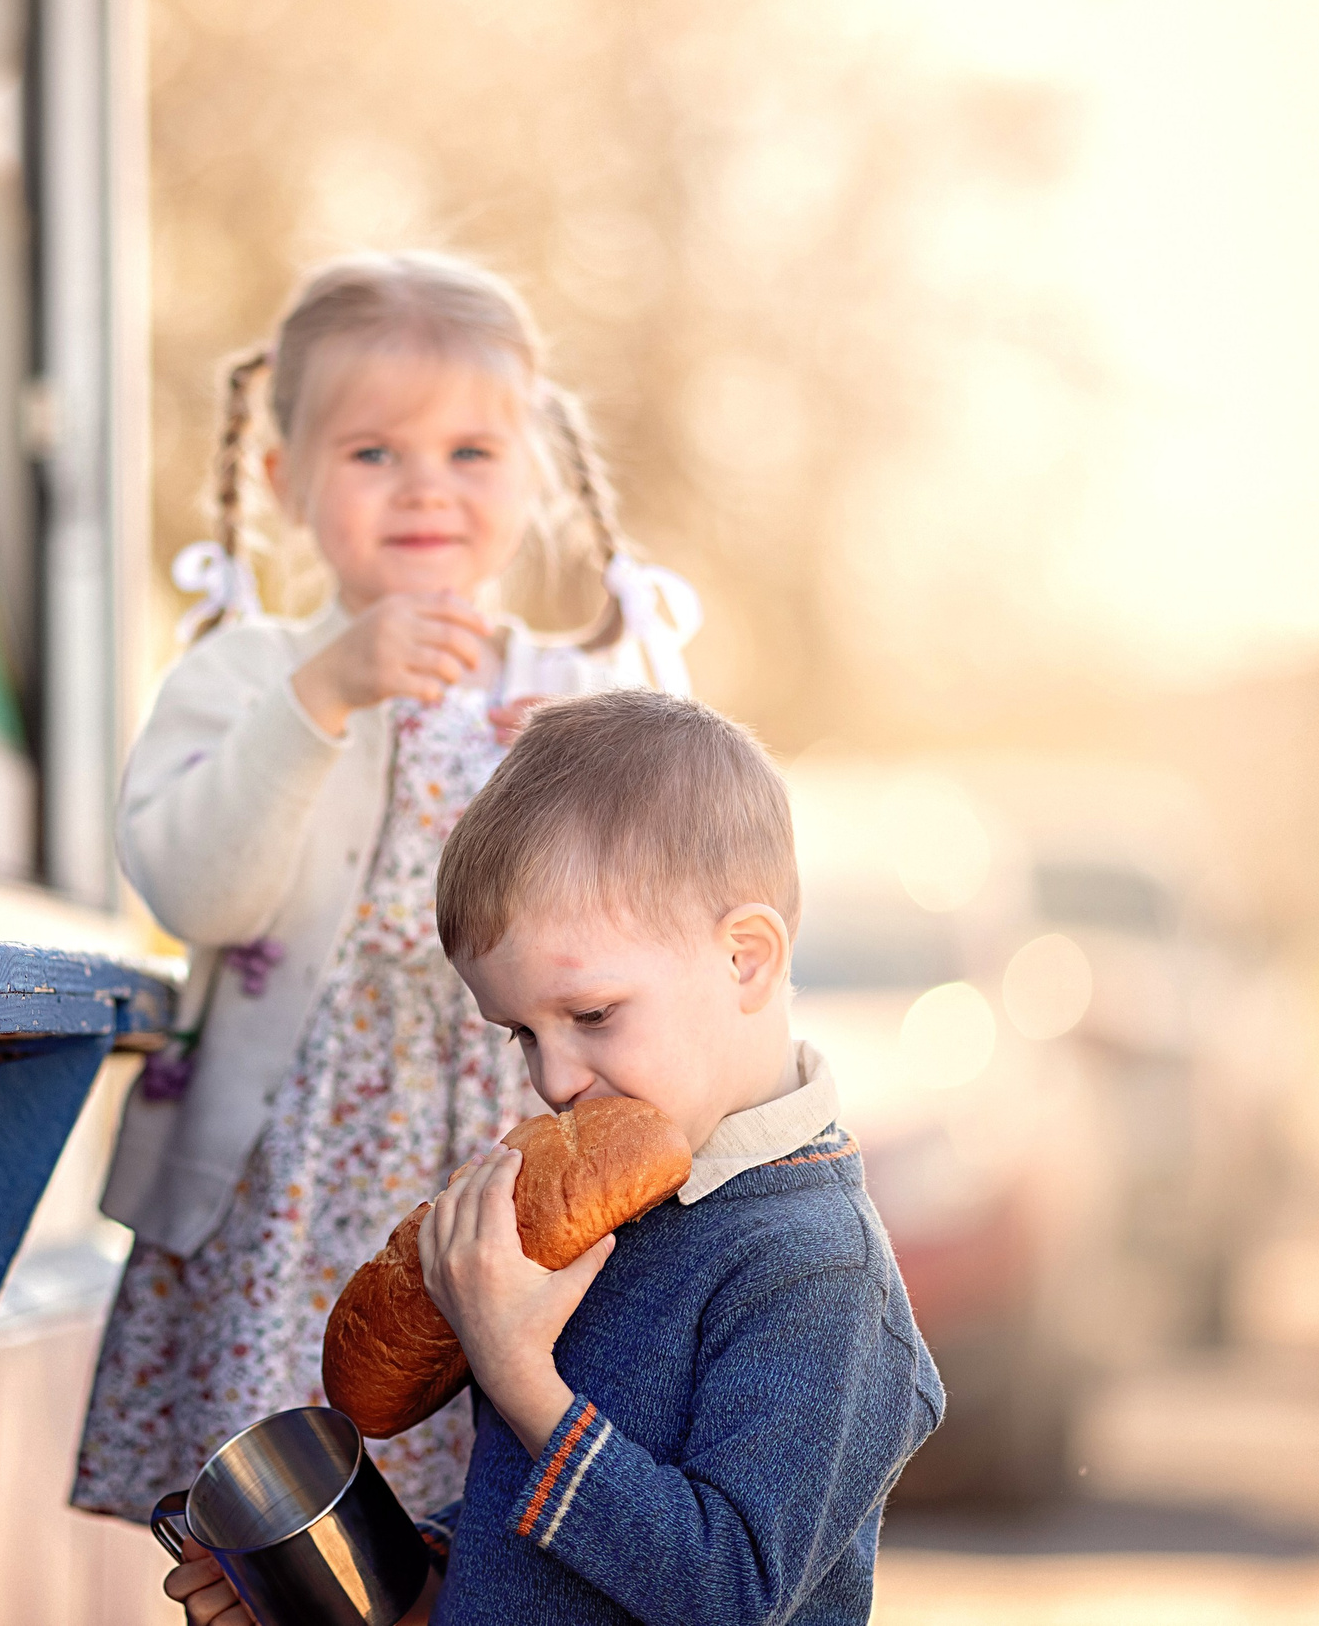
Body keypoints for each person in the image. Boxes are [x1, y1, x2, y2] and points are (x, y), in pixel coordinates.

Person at [75, 251, 701, 1522]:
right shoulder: (246, 678)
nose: (426, 487)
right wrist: (322, 697)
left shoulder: (588, 688)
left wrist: (604, 778)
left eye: (472, 453)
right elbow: (199, 892)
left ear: (531, 474)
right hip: (292, 1199)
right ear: (282, 476)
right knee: (292, 1552)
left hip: (521, 1178)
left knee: (513, 1525)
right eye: (373, 453)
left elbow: (697, 912)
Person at [165, 690, 943, 1625]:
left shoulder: (816, 1269)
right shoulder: (615, 1207)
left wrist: (518, 1373)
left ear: (745, 958)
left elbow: (728, 1592)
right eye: (519, 1034)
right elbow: (536, 1529)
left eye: (591, 1016)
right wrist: (394, 1584)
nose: (555, 1077)